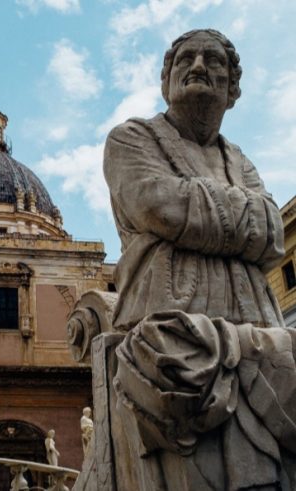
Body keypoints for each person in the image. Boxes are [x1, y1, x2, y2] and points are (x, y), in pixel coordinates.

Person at [104, 29, 296, 490]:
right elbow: (156, 204)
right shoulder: (130, 138)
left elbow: (274, 233)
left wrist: (196, 209)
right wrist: (240, 218)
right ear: (166, 78)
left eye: (213, 61)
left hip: (257, 327)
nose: (198, 67)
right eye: (185, 59)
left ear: (233, 89)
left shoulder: (239, 157)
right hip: (172, 328)